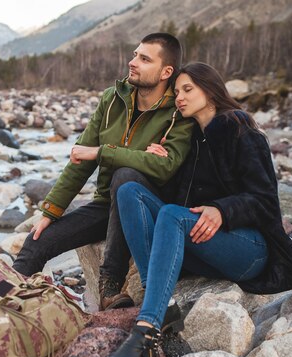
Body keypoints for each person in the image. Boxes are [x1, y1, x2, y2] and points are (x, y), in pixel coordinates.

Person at [83, 62, 292, 357]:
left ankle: (145, 335)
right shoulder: (193, 139)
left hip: (248, 249)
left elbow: (266, 202)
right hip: (202, 244)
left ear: (210, 91)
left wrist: (223, 210)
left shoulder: (242, 131)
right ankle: (163, 305)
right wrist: (160, 164)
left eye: (188, 90)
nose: (179, 98)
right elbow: (181, 201)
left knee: (170, 215)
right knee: (130, 191)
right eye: (177, 91)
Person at [13, 33, 194, 310]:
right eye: (135, 55)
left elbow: (165, 167)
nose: (132, 62)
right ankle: (6, 299)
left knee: (125, 176)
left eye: (144, 59)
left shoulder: (178, 110)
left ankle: (110, 285)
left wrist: (107, 153)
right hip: (107, 205)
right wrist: (51, 211)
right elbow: (80, 159)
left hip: (151, 208)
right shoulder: (113, 99)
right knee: (38, 241)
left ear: (166, 72)